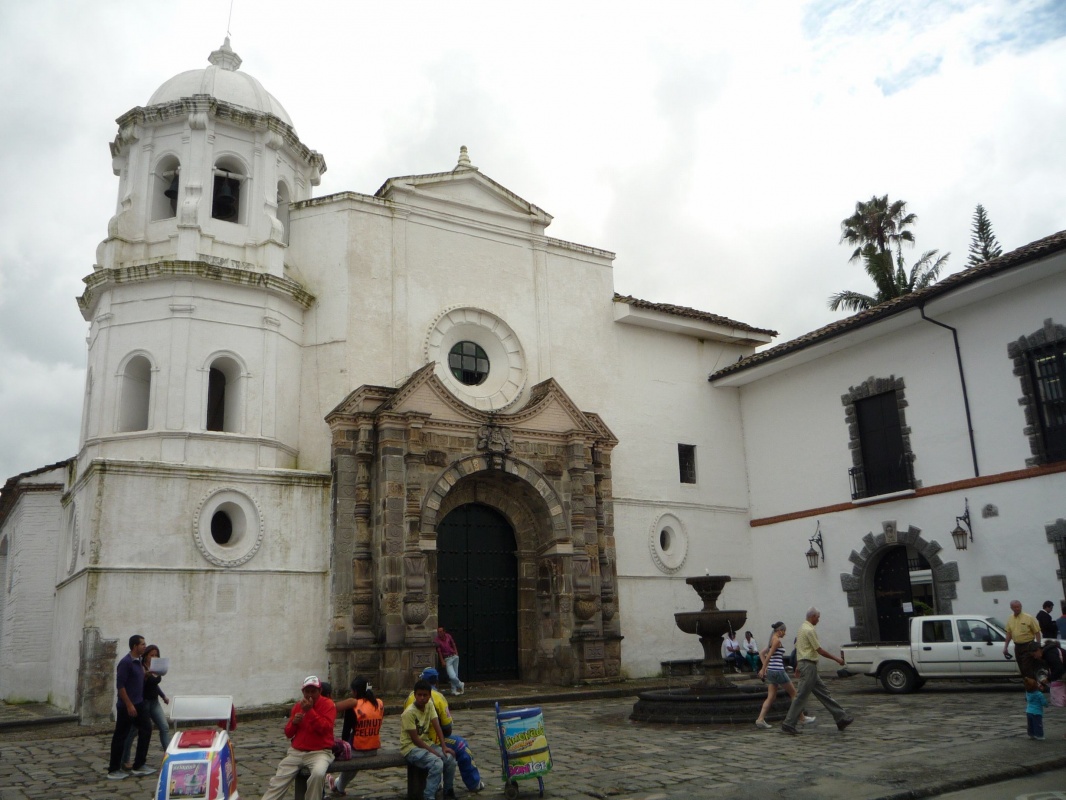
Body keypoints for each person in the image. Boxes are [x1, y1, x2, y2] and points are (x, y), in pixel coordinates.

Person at [405, 668, 483, 792]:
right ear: (436, 682)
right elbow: (447, 729)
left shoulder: (410, 697)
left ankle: (440, 784)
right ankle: (474, 783)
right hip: (430, 741)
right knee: (461, 745)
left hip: (413, 741)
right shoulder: (438, 698)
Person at [260, 675, 337, 800]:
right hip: (296, 752)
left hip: (320, 752)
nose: (310, 695)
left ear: (320, 691)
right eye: (307, 691)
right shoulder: (297, 706)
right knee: (278, 780)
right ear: (303, 692)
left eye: (313, 691)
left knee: (318, 774)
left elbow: (325, 728)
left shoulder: (328, 705)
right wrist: (294, 723)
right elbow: (288, 733)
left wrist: (310, 711)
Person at [780, 607, 854, 735]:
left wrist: (798, 665)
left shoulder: (802, 628)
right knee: (801, 695)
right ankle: (788, 723)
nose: (818, 620)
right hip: (808, 666)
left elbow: (799, 648)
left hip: (807, 665)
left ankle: (841, 717)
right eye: (818, 617)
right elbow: (819, 650)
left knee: (823, 693)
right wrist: (837, 659)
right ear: (812, 616)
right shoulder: (809, 630)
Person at [107, 634, 155, 779]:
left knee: (146, 730)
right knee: (121, 736)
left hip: (139, 703)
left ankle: (139, 764)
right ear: (135, 646)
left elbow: (137, 681)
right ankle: (113, 769)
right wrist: (129, 705)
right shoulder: (125, 663)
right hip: (126, 706)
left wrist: (146, 675)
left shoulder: (138, 661)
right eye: (142, 644)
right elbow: (121, 686)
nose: (145, 646)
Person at [327, 677, 384, 796]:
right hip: (373, 748)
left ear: (355, 692)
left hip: (358, 749)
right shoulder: (379, 703)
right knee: (352, 766)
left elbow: (345, 733)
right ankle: (337, 785)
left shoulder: (353, 706)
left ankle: (338, 786)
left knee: (348, 758)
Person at [401, 678, 457, 800]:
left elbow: (437, 726)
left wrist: (443, 747)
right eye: (419, 695)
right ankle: (429, 796)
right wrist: (434, 752)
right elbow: (415, 740)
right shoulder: (409, 713)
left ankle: (448, 791)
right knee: (437, 763)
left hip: (426, 743)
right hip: (411, 748)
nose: (422, 698)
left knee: (450, 759)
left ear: (429, 695)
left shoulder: (430, 705)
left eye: (425, 695)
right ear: (415, 695)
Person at [754, 622, 815, 730]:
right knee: (794, 694)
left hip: (771, 672)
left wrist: (766, 668)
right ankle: (802, 718)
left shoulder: (771, 640)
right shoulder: (776, 641)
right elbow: (768, 656)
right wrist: (763, 668)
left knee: (771, 697)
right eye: (784, 631)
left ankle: (760, 719)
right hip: (778, 671)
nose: (785, 633)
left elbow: (761, 653)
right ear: (780, 630)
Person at [120, 644, 170, 770]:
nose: (154, 657)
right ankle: (125, 759)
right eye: (151, 655)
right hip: (143, 702)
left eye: (156, 655)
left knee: (164, 727)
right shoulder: (141, 667)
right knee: (134, 731)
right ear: (146, 655)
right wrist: (146, 676)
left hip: (154, 701)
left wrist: (163, 696)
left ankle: (169, 755)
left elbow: (155, 685)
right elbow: (137, 684)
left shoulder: (156, 667)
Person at [1003, 599, 1042, 678]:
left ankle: (1032, 683)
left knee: (1027, 668)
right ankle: (1027, 683)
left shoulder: (1028, 618)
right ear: (1011, 608)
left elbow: (1037, 632)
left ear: (1021, 607)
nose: (1017, 609)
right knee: (1021, 668)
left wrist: (1038, 647)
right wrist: (1005, 647)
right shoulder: (1010, 618)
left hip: (1028, 646)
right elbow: (1009, 634)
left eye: (1018, 607)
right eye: (1014, 607)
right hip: (1017, 646)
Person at [433, 626, 465, 695]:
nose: (439, 633)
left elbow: (453, 643)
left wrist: (456, 652)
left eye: (441, 631)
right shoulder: (437, 640)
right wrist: (442, 661)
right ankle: (460, 684)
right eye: (438, 632)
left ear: (444, 632)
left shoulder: (448, 636)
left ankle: (453, 690)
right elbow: (439, 651)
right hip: (447, 659)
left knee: (455, 674)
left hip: (454, 656)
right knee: (452, 676)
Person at [1024, 676, 1048, 740]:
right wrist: (1046, 705)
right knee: (1038, 724)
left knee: (1030, 724)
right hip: (1037, 712)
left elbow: (1026, 699)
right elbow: (1044, 702)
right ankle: (1039, 735)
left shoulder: (1027, 692)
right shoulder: (1039, 694)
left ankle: (1031, 734)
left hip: (1028, 711)